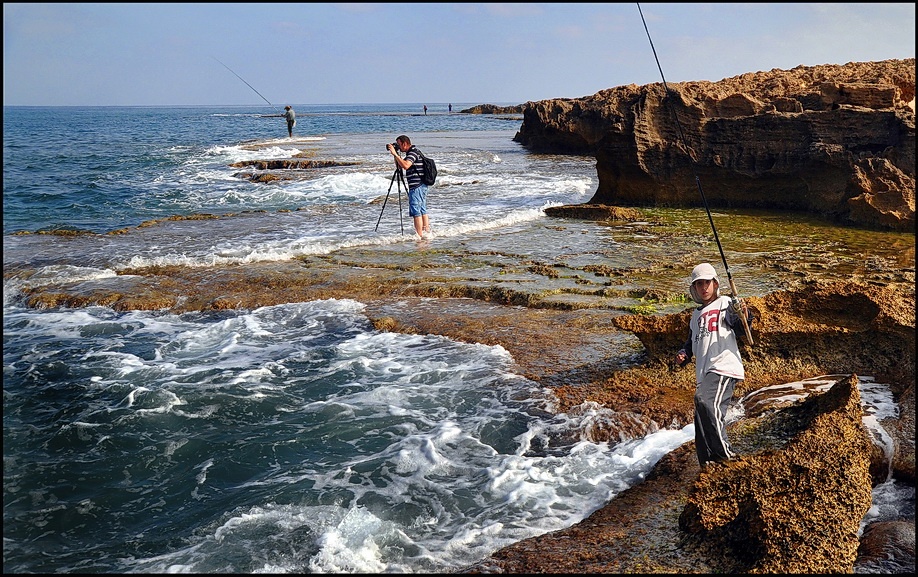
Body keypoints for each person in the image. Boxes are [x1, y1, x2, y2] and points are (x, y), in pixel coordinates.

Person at [674, 262, 753, 468]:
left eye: (707, 282)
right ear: (694, 289)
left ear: (715, 284)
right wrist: (683, 354)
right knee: (700, 413)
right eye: (699, 284)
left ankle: (724, 454)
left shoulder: (725, 303)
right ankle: (707, 461)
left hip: (724, 366)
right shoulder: (694, 316)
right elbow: (690, 344)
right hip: (704, 374)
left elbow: (740, 325)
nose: (704, 287)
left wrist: (743, 312)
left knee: (706, 402)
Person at [387, 135, 431, 239]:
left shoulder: (412, 153)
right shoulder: (414, 151)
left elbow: (406, 165)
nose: (398, 146)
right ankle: (426, 233)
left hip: (417, 186)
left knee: (416, 211)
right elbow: (400, 166)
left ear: (404, 143)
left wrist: (395, 154)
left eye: (399, 144)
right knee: (422, 209)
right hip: (421, 185)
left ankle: (419, 237)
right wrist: (396, 155)